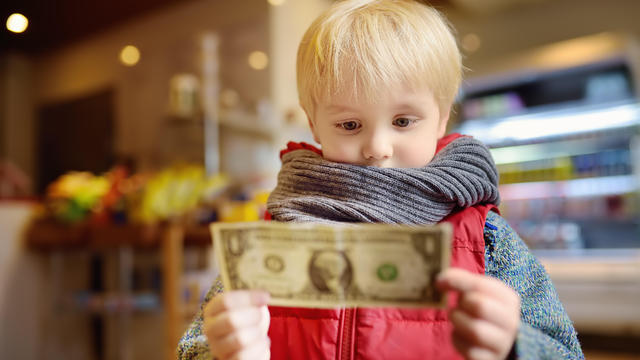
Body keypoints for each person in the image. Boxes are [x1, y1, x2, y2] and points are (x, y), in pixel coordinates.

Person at [178, 0, 584, 359]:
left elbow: (565, 351)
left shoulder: (488, 237)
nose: (378, 147)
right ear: (315, 125)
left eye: (403, 121)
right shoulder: (272, 235)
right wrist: (221, 351)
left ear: (441, 118)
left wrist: (516, 345)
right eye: (350, 124)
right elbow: (193, 348)